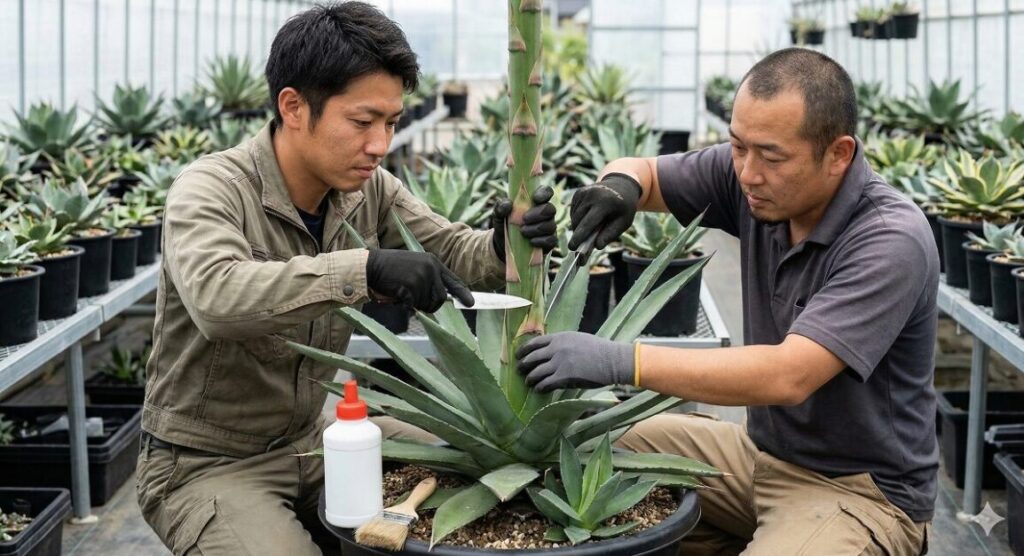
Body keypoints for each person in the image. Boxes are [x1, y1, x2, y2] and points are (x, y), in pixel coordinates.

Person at [136, 3, 557, 554]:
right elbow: (219, 299)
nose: (380, 144)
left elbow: (452, 249)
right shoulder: (212, 188)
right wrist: (366, 268)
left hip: (315, 438)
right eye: (362, 122)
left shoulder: (368, 189)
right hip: (207, 463)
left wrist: (505, 245)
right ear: (293, 106)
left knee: (484, 470)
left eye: (391, 123)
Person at [517, 48, 937, 555]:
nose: (747, 173)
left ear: (839, 154)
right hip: (757, 455)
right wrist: (619, 188)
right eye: (737, 146)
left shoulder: (889, 239)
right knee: (577, 447)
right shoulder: (754, 178)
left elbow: (788, 375)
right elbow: (644, 170)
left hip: (857, 490)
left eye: (772, 156)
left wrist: (616, 361)